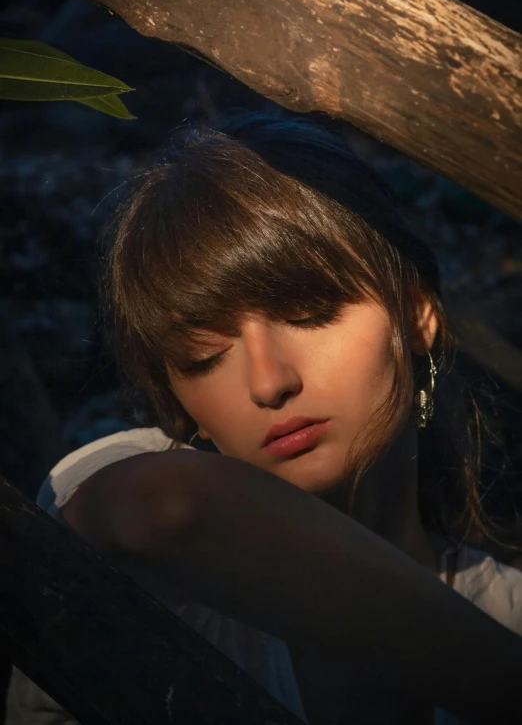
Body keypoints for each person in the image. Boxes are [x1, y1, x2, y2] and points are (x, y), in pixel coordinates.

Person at [6, 111, 522, 725]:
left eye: (310, 313)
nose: (269, 381)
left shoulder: (507, 610)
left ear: (415, 314)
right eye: (205, 356)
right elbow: (176, 511)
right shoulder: (118, 506)